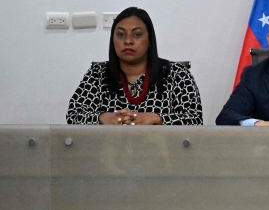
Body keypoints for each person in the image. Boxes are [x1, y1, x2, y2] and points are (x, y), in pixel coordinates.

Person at [66, 7, 203, 125]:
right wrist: (102, 117)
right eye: (120, 34)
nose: (128, 41)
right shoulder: (98, 73)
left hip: (161, 153)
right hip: (108, 152)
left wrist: (156, 119)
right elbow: (73, 115)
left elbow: (194, 120)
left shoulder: (176, 74)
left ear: (150, 40)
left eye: (137, 35)